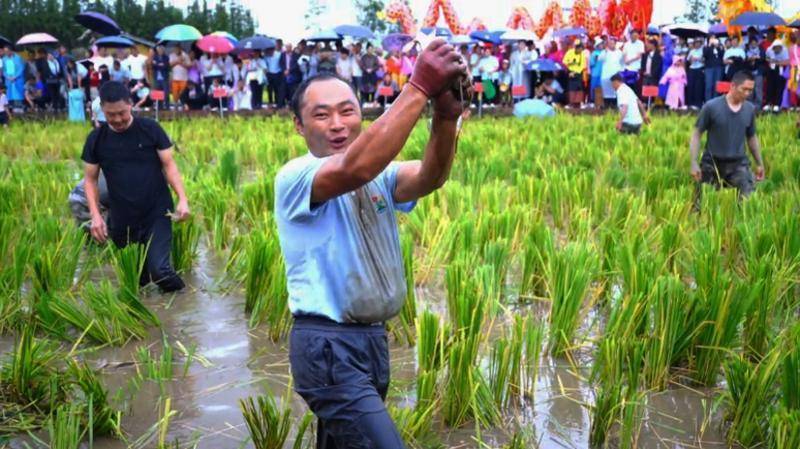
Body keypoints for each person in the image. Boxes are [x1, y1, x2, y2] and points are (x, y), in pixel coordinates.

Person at [274, 39, 467, 449]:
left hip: (371, 342)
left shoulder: (382, 175)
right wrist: (417, 88)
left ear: (362, 115)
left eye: (347, 111)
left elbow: (430, 176)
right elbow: (356, 167)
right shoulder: (296, 177)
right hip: (327, 347)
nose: (337, 124)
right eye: (320, 115)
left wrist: (446, 119)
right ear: (298, 125)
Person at [82, 81, 189, 293]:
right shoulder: (96, 139)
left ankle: (184, 305)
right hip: (122, 218)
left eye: (122, 112)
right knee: (137, 280)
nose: (118, 119)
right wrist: (95, 215)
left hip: (157, 211)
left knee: (161, 271)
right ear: (102, 109)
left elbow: (169, 165)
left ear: (131, 104)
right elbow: (90, 180)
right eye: (111, 114)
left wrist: (182, 199)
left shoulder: (150, 129)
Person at [690, 70, 765, 210]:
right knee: (700, 206)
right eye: (745, 89)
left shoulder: (749, 109)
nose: (748, 94)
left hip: (738, 163)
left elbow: (752, 137)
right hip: (712, 162)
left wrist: (759, 163)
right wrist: (694, 162)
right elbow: (697, 133)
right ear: (733, 86)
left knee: (749, 205)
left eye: (750, 90)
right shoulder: (711, 107)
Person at [765, 40, 789, 112]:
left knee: (779, 87)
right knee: (770, 86)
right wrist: (770, 61)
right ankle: (768, 104)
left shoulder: (785, 51)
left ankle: (777, 104)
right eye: (776, 48)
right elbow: (767, 58)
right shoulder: (769, 50)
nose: (777, 49)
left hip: (780, 69)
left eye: (779, 48)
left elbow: (787, 62)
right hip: (771, 68)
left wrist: (777, 62)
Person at [600, 37, 623, 106]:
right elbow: (600, 59)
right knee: (606, 93)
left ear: (615, 44)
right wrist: (605, 51)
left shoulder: (619, 52)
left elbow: (622, 63)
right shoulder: (604, 52)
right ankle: (607, 108)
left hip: (616, 76)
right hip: (606, 76)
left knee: (616, 93)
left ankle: (615, 108)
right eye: (610, 43)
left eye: (613, 43)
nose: (611, 45)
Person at [563, 39, 587, 108]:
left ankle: (580, 103)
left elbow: (583, 65)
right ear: (576, 48)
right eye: (579, 49)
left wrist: (576, 72)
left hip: (578, 73)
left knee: (579, 88)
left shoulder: (582, 54)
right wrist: (570, 70)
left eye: (581, 49)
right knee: (571, 88)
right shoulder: (569, 52)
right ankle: (571, 103)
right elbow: (564, 62)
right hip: (570, 72)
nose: (580, 51)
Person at [703, 37, 725, 103]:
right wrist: (710, 45)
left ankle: (715, 103)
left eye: (714, 39)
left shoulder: (719, 47)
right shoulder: (706, 47)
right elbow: (705, 55)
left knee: (717, 86)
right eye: (711, 39)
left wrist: (718, 46)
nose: (713, 40)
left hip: (718, 67)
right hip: (709, 68)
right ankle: (708, 103)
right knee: (708, 86)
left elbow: (722, 55)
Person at [686, 39, 705, 109]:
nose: (697, 44)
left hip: (699, 69)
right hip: (692, 69)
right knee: (691, 86)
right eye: (696, 43)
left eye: (698, 43)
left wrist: (699, 59)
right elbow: (689, 61)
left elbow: (704, 60)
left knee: (698, 87)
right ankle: (690, 104)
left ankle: (698, 104)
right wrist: (692, 59)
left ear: (700, 44)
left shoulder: (703, 50)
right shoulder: (692, 51)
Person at [589, 37, 605, 108]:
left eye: (602, 44)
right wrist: (595, 60)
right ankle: (592, 101)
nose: (602, 45)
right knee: (593, 87)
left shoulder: (604, 53)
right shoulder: (594, 53)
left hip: (602, 73)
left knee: (601, 88)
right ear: (597, 45)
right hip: (595, 73)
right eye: (600, 44)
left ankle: (600, 103)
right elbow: (591, 63)